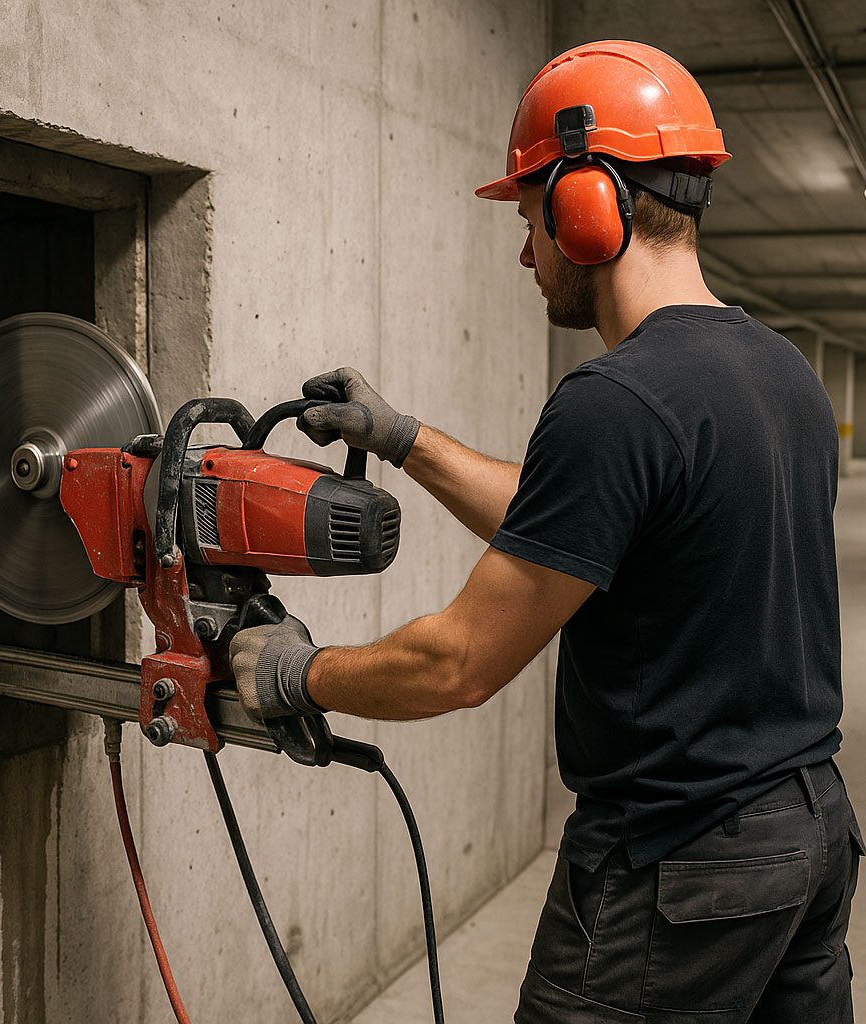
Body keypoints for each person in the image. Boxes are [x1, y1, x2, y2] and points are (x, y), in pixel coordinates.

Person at [229, 39, 862, 1023]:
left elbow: (459, 664)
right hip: (809, 835)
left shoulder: (614, 399)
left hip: (674, 860)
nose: (528, 252)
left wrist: (290, 674)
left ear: (587, 205)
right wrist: (401, 438)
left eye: (531, 218)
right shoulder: (783, 376)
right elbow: (594, 523)